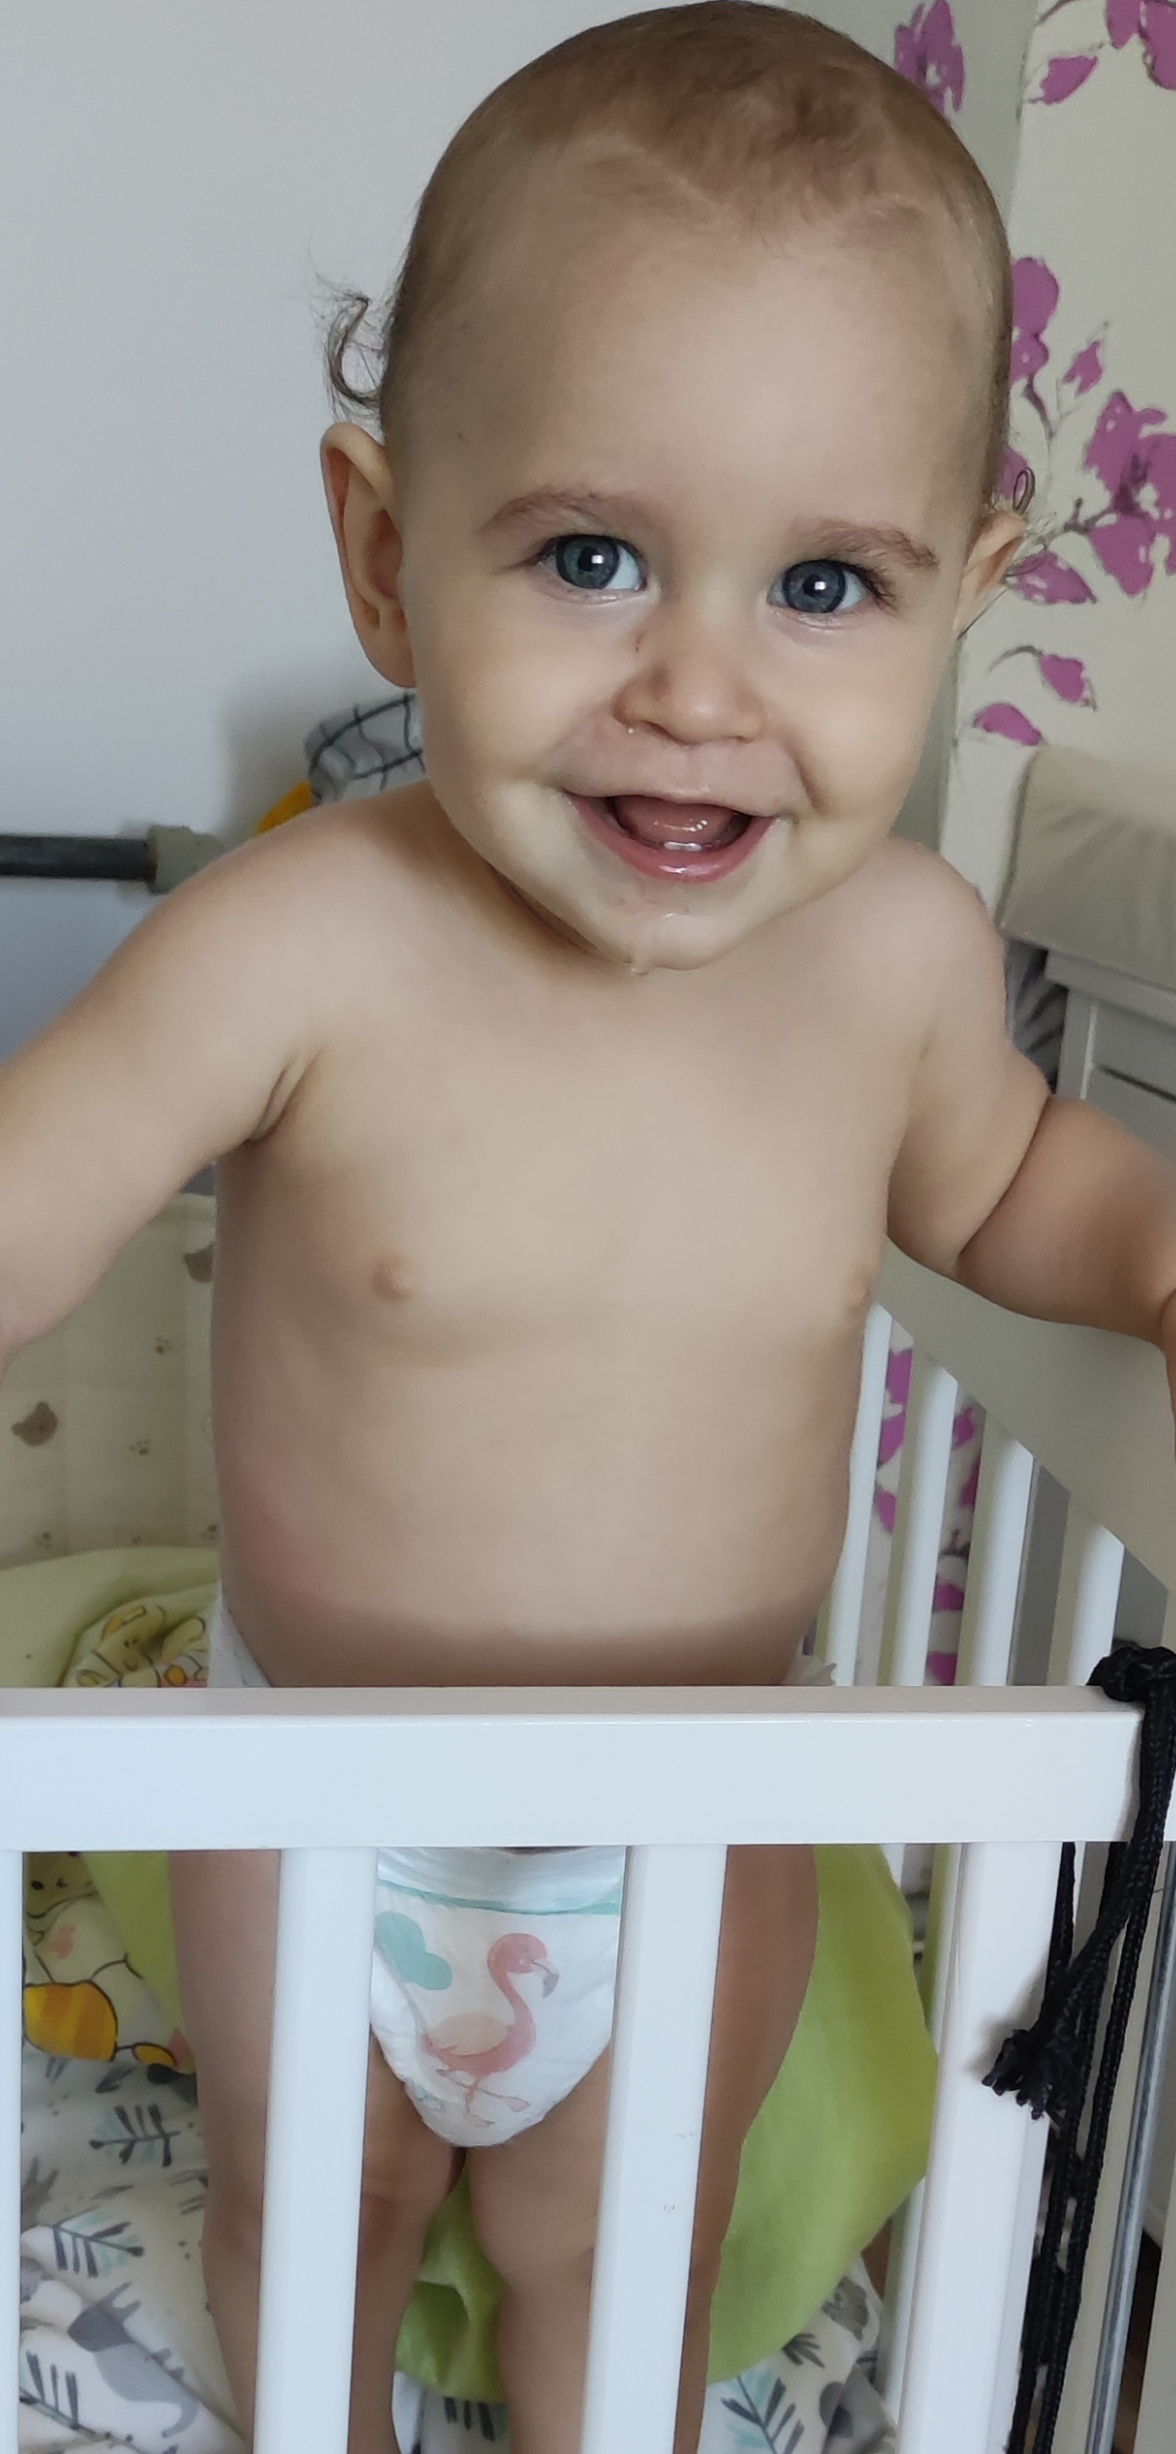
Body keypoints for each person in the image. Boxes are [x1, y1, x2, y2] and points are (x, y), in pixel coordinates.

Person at [4, 7, 1175, 2449]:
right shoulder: (298, 941)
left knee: (616, 2251)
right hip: (321, 1799)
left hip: (688, 1819)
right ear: (385, 554)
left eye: (826, 582)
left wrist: (1157, 1261)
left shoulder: (898, 966)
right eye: (592, 556)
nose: (698, 688)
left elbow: (1011, 1187)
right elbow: (41, 1182)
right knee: (308, 2218)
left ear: (964, 595)